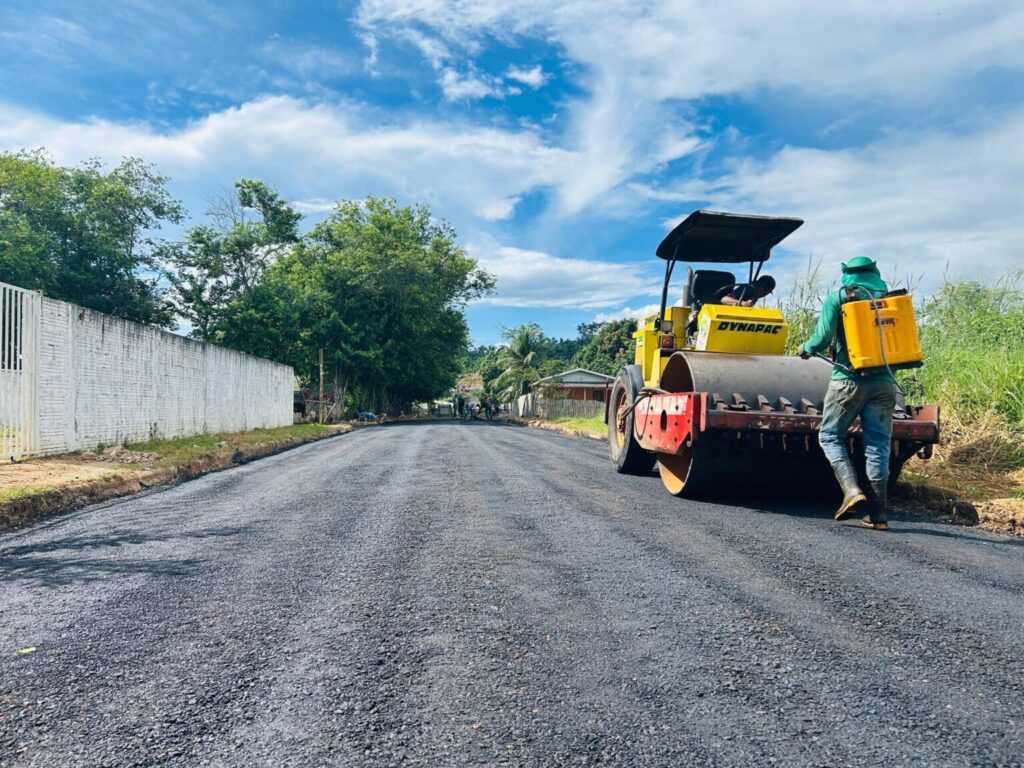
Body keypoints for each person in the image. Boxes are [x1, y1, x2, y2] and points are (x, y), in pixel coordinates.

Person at [797, 256, 895, 530]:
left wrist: (805, 348)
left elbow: (822, 339)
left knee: (829, 435)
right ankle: (879, 516)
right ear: (874, 271)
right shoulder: (890, 297)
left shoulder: (839, 297)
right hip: (885, 383)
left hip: (848, 380)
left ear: (847, 274)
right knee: (878, 446)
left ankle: (851, 490)